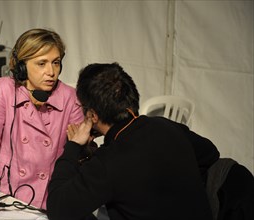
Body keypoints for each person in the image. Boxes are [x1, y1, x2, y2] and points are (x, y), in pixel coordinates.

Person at [47, 62, 219, 220]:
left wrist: (73, 145)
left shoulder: (108, 162)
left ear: (92, 115)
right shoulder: (165, 126)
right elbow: (210, 154)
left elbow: (58, 208)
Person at [0, 28, 84, 210]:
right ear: (22, 67)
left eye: (56, 63)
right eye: (42, 63)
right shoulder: (5, 89)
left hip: (50, 199)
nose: (51, 71)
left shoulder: (70, 97)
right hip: (7, 196)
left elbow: (78, 156)